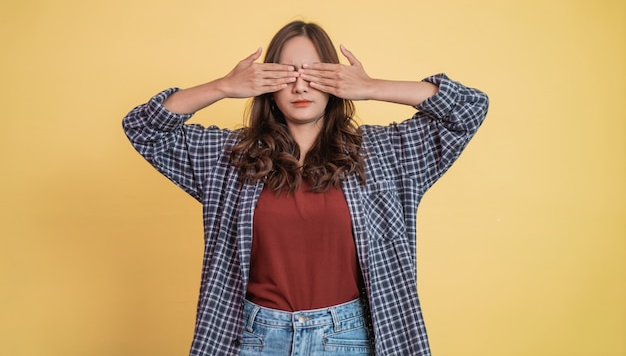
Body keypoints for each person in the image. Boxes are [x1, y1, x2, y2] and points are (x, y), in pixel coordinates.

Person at [122, 20, 489, 356]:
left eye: (315, 74)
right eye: (285, 74)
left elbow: (469, 108)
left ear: (336, 80)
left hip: (349, 338)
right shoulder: (228, 158)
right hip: (254, 339)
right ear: (265, 82)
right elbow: (143, 128)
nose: (300, 86)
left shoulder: (384, 155)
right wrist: (223, 86)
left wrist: (371, 87)